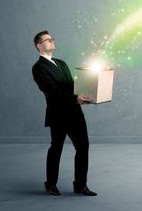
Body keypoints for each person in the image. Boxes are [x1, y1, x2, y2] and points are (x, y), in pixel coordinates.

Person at [32, 31, 97, 196]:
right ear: (39, 46)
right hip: (58, 114)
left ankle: (80, 185)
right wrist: (76, 98)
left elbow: (72, 86)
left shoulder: (61, 63)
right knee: (56, 148)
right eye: (48, 39)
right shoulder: (38, 68)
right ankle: (51, 183)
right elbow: (52, 91)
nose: (52, 41)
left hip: (75, 113)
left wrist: (90, 89)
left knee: (83, 147)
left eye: (52, 38)